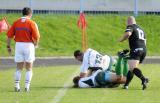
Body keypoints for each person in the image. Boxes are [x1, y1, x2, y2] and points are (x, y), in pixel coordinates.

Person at [7, 7, 40, 92]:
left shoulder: (16, 22)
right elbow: (37, 36)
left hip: (18, 45)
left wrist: (8, 46)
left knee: (19, 67)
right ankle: (26, 86)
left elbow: (9, 35)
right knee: (29, 68)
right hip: (29, 45)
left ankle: (17, 86)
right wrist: (36, 44)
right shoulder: (32, 23)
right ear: (30, 14)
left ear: (22, 13)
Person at [118, 16, 148, 90]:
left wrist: (121, 39)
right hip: (144, 50)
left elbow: (128, 34)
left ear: (128, 21)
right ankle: (126, 85)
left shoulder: (130, 26)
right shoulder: (141, 29)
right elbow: (145, 41)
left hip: (136, 49)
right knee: (132, 68)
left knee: (133, 68)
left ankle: (144, 79)